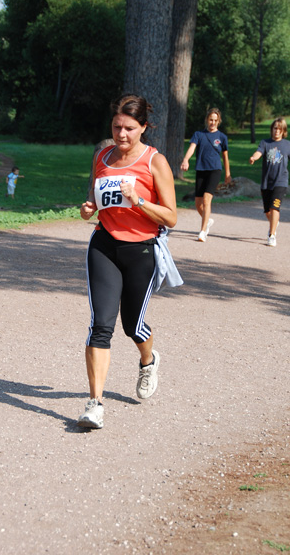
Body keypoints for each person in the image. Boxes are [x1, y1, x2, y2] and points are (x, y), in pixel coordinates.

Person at [78, 94, 178, 430]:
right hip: (104, 246)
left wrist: (138, 202)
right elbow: (92, 200)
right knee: (101, 326)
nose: (122, 134)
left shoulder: (155, 162)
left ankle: (148, 360)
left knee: (132, 325)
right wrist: (88, 208)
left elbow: (172, 216)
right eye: (117, 127)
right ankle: (95, 404)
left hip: (142, 251)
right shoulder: (103, 156)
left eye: (129, 128)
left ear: (143, 128)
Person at [249, 117, 290, 247]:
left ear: (283, 131)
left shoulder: (287, 145)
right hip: (267, 182)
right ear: (271, 129)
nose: (277, 131)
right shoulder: (265, 143)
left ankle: (271, 235)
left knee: (274, 207)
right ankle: (274, 221)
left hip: (281, 181)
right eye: (275, 128)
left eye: (279, 129)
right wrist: (253, 157)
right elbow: (259, 152)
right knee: (268, 211)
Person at [180, 108, 232, 242]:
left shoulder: (222, 137)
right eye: (211, 120)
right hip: (201, 170)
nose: (213, 122)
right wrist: (186, 159)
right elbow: (191, 148)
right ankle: (207, 220)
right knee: (198, 203)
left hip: (215, 170)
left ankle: (203, 231)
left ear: (219, 121)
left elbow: (225, 157)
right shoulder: (198, 134)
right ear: (206, 120)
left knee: (206, 199)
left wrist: (228, 174)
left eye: (215, 120)